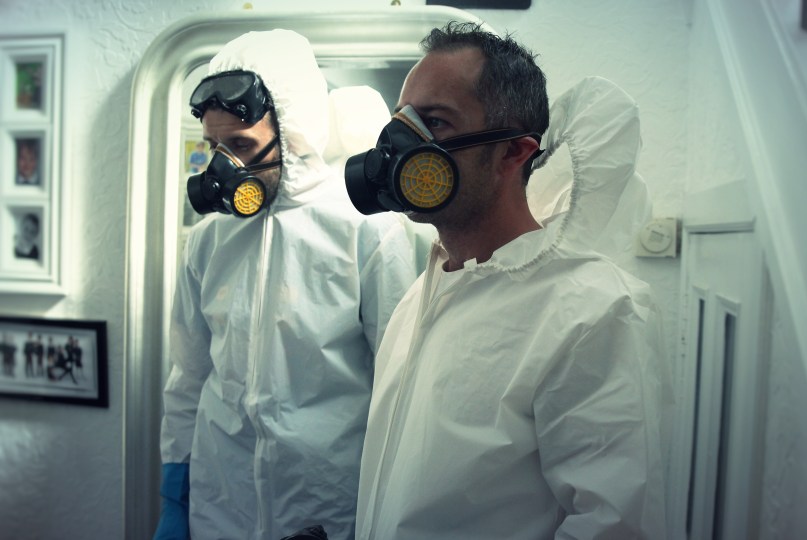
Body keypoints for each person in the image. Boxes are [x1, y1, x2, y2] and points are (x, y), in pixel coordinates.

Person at [353, 22, 670, 539]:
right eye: (401, 121)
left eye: (435, 122)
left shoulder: (594, 312)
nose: (398, 146)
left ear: (513, 152)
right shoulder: (425, 293)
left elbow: (615, 526)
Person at [153, 30, 419, 540]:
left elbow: (400, 385)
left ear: (292, 135)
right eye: (214, 147)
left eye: (240, 146)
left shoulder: (365, 231)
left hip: (326, 502)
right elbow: (189, 373)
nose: (222, 168)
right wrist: (175, 489)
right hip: (221, 499)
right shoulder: (208, 240)